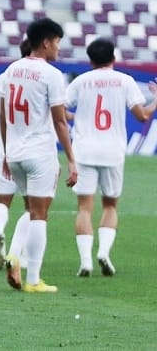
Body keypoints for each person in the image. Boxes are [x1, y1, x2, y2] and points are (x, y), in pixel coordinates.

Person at [65, 38, 157, 277]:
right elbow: (143, 116)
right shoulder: (125, 81)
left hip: (84, 149)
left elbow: (59, 109)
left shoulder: (81, 81)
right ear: (113, 58)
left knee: (85, 208)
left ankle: (85, 260)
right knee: (110, 204)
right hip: (113, 151)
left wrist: (77, 119)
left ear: (91, 60)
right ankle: (104, 252)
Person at [0, 17, 77, 293]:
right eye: (57, 42)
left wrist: (7, 153)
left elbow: (3, 115)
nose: (58, 48)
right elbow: (59, 121)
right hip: (40, 153)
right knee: (40, 215)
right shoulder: (52, 75)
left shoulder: (11, 70)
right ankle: (33, 280)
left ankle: (14, 254)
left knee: (31, 210)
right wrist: (71, 159)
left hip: (16, 153)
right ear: (46, 42)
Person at [0, 40, 32, 270]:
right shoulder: (43, 75)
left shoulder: (6, 75)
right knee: (32, 206)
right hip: (33, 151)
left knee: (2, 202)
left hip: (5, 149)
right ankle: (18, 255)